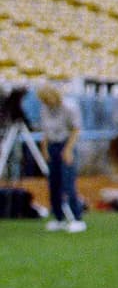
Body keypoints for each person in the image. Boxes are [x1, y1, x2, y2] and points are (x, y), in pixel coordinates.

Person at [35, 84, 86, 233]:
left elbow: (76, 129)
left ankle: (77, 218)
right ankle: (59, 218)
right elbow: (45, 131)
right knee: (53, 183)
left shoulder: (69, 107)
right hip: (52, 145)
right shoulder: (44, 109)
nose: (46, 102)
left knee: (68, 182)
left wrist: (68, 150)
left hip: (66, 143)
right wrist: (45, 149)